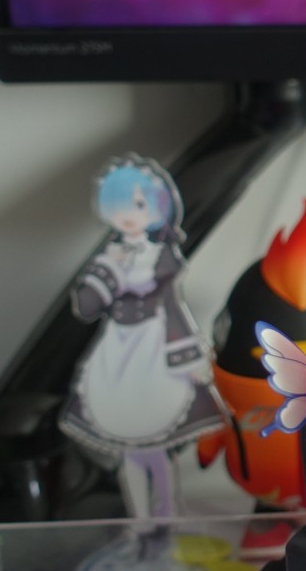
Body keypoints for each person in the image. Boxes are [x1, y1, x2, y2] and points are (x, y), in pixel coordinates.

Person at [61, 154, 220, 525]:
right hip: (117, 351)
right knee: (130, 449)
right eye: (119, 205)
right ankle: (143, 522)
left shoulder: (160, 257)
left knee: (156, 447)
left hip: (154, 348)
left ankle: (167, 514)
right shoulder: (109, 257)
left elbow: (173, 308)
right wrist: (109, 271)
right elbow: (86, 308)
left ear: (156, 208)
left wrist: (191, 359)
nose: (128, 215)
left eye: (138, 204)